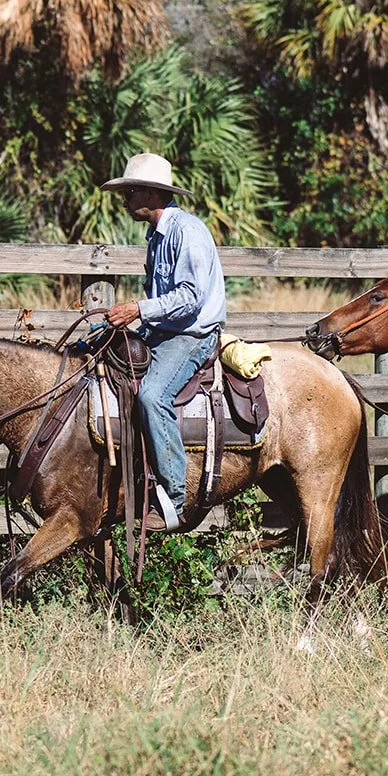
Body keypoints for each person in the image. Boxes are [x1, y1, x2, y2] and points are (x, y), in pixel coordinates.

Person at [101, 153, 226, 531]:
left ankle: (174, 500)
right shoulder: (157, 236)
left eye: (131, 190)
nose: (125, 198)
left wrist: (138, 309)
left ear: (152, 194)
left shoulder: (185, 231)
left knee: (152, 395)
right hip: (165, 331)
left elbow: (190, 298)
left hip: (192, 334)